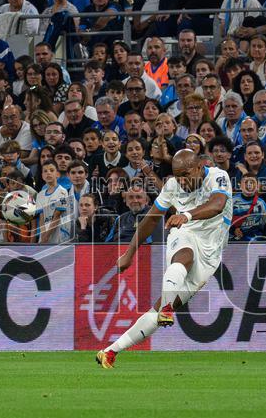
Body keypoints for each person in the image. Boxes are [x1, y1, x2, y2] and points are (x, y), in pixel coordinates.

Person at [96, 149, 232, 369]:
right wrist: (130, 253)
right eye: (177, 176)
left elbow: (217, 204)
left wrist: (185, 214)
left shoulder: (217, 176)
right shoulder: (172, 186)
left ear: (199, 167)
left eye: (186, 175)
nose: (182, 181)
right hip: (185, 230)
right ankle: (167, 308)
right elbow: (150, 220)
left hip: (212, 249)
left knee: (157, 311)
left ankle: (110, 351)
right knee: (183, 257)